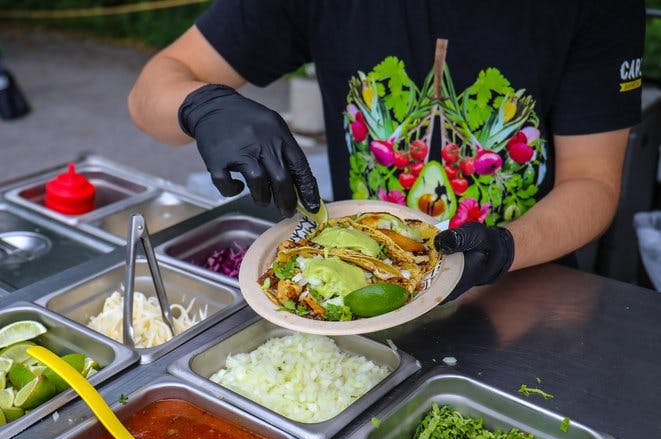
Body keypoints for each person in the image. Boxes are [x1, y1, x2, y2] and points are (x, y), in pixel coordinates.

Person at [128, 1, 645, 300]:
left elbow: (593, 181)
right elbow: (149, 94)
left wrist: (508, 248)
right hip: (362, 283)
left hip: (526, 288)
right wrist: (203, 105)